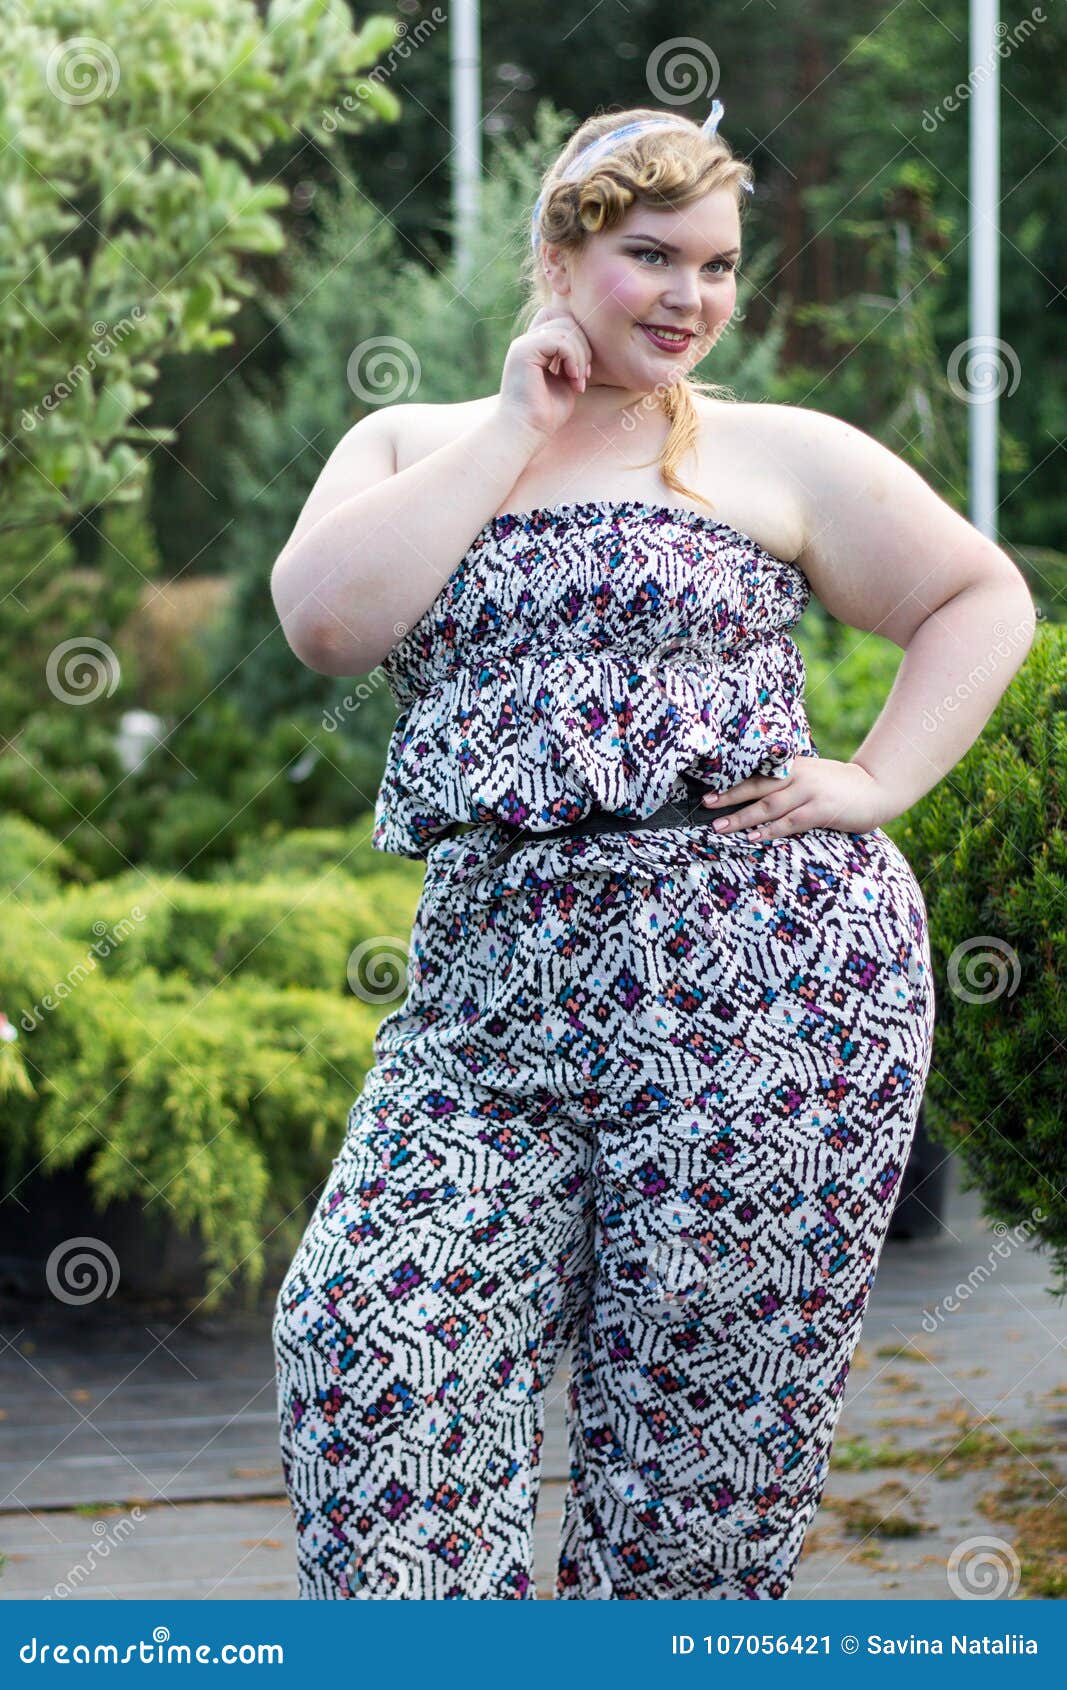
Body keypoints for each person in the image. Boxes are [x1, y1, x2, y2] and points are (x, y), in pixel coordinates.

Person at [269, 100, 1036, 1600]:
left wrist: (877, 777)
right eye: (651, 255)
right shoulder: (416, 439)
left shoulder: (780, 452)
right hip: (490, 1006)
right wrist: (516, 424)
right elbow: (328, 623)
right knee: (366, 1332)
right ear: (562, 250)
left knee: (703, 1456)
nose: (693, 296)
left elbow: (979, 598)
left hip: (773, 993)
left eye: (721, 264)